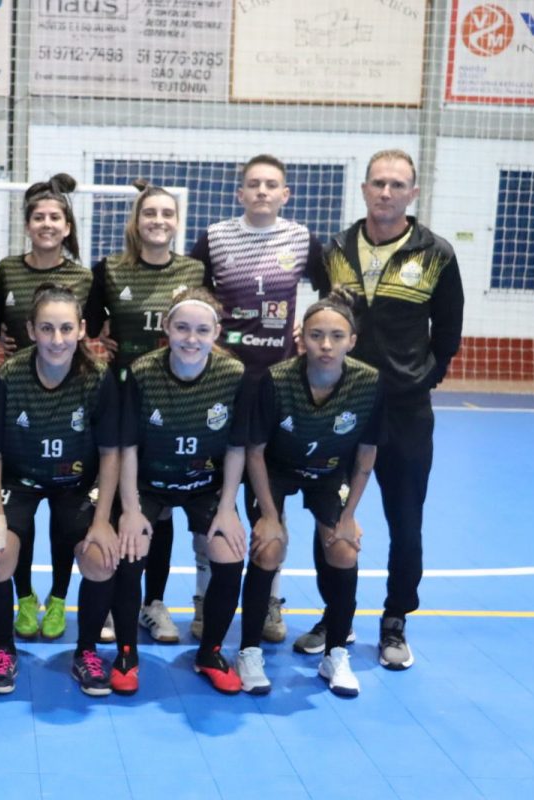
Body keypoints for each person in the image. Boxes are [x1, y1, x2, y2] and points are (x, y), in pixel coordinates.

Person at [307, 149, 464, 668]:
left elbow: (448, 332)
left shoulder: (436, 254)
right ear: (364, 189)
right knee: (330, 513)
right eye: (378, 183)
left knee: (405, 520)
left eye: (397, 185)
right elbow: (324, 319)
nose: (386, 192)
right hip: (342, 406)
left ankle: (396, 619)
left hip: (405, 413)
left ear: (412, 193)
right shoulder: (334, 249)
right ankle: (336, 616)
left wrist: (421, 381)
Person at [189, 155, 325, 644]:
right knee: (211, 496)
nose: (262, 191)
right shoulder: (216, 237)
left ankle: (270, 601)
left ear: (285, 194)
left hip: (277, 386)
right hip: (222, 382)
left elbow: (334, 294)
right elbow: (192, 295)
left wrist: (310, 325)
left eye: (271, 185)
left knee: (271, 499)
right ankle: (204, 599)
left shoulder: (302, 239)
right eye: (253, 184)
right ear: (240, 193)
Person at [238, 288, 384, 697]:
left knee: (343, 549)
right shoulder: (276, 380)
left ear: (351, 341)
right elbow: (255, 451)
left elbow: (366, 455)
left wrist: (349, 515)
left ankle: (335, 652)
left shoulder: (369, 383)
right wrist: (270, 517)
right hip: (275, 469)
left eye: (336, 336)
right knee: (269, 548)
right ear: (301, 338)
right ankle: (249, 650)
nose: (326, 345)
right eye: (316, 335)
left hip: (329, 471)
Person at [0, 284, 121, 695]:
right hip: (18, 480)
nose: (57, 339)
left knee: (102, 560)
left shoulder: (98, 378)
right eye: (46, 329)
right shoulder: (9, 376)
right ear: (30, 330)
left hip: (76, 483)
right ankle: (4, 650)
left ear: (81, 329)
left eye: (65, 328)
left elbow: (110, 454)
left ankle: (86, 651)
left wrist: (102, 520)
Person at [84, 181, 206, 645]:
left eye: (166, 213)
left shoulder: (194, 270)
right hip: (122, 400)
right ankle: (118, 602)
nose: (158, 221)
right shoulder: (110, 269)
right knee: (122, 502)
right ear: (136, 221)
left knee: (162, 507)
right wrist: (98, 341)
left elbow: (207, 322)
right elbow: (87, 326)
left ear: (177, 221)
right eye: (149, 213)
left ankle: (153, 603)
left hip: (175, 401)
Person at [116, 288, 251, 695]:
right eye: (182, 328)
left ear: (216, 333)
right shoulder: (142, 372)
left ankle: (210, 653)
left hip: (204, 485)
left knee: (230, 552)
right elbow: (127, 447)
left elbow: (236, 448)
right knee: (130, 550)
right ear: (166, 328)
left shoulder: (233, 375)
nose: (192, 339)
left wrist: (227, 508)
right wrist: (130, 509)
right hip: (149, 482)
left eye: (202, 330)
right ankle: (126, 654)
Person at [0, 174, 94, 643]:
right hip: (20, 396)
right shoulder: (7, 270)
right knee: (22, 505)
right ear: (27, 224)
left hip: (70, 397)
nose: (47, 223)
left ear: (68, 226)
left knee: (65, 512)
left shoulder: (85, 277)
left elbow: (99, 328)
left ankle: (58, 597)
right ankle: (24, 596)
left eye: (56, 217)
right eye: (39, 216)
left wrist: (101, 346)